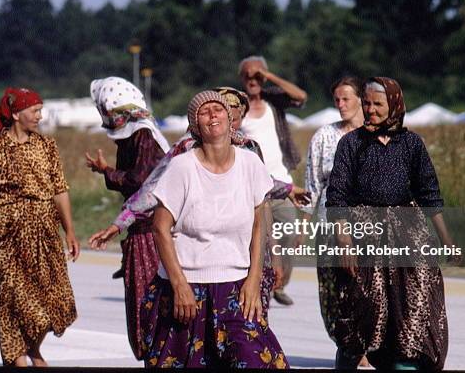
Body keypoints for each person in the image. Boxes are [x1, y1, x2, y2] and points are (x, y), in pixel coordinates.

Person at [89, 87, 309, 319]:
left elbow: (261, 190)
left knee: (252, 322)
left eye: (230, 112)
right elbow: (151, 189)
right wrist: (118, 224)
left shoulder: (249, 149)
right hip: (199, 263)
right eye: (211, 111)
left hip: (244, 255)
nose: (220, 116)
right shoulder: (185, 152)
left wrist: (288, 191)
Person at [140, 90, 288, 368]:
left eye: (218, 109)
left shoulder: (250, 164)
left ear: (230, 119)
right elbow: (160, 228)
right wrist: (179, 284)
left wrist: (254, 279)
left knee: (259, 361)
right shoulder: (181, 167)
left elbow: (260, 223)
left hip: (235, 286)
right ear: (196, 125)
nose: (213, 114)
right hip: (185, 289)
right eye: (204, 111)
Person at [325, 77, 458, 370]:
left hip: (407, 231)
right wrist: (344, 241)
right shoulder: (352, 143)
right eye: (367, 103)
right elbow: (337, 197)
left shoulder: (411, 144)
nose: (371, 110)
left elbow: (429, 194)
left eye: (378, 104)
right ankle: (349, 359)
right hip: (365, 232)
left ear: (394, 105)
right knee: (366, 305)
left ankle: (407, 361)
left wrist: (447, 242)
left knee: (417, 298)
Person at [0, 87, 79, 366]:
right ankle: (17, 356)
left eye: (41, 110)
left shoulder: (46, 146)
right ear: (16, 114)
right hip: (7, 234)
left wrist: (70, 231)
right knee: (12, 296)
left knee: (52, 297)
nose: (40, 116)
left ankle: (32, 347)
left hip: (44, 230)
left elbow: (59, 189)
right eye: (35, 111)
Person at [85, 76, 169, 360]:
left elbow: (142, 182)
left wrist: (109, 172)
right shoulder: (135, 136)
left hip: (150, 233)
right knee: (145, 305)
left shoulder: (143, 135)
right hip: (141, 230)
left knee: (150, 304)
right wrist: (108, 171)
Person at [302, 77, 368, 368]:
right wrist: (302, 228)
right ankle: (346, 341)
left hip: (369, 225)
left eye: (346, 99)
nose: (341, 105)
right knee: (333, 290)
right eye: (337, 100)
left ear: (361, 99)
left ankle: (364, 346)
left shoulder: (376, 134)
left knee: (367, 287)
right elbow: (312, 185)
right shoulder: (324, 136)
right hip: (330, 225)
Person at [239, 55, 307, 306]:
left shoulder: (273, 101)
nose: (252, 80)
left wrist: (269, 77)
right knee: (259, 237)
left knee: (287, 232)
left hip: (282, 182)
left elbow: (300, 97)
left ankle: (280, 283)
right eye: (247, 76)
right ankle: (258, 283)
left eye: (257, 75)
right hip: (253, 185)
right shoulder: (239, 107)